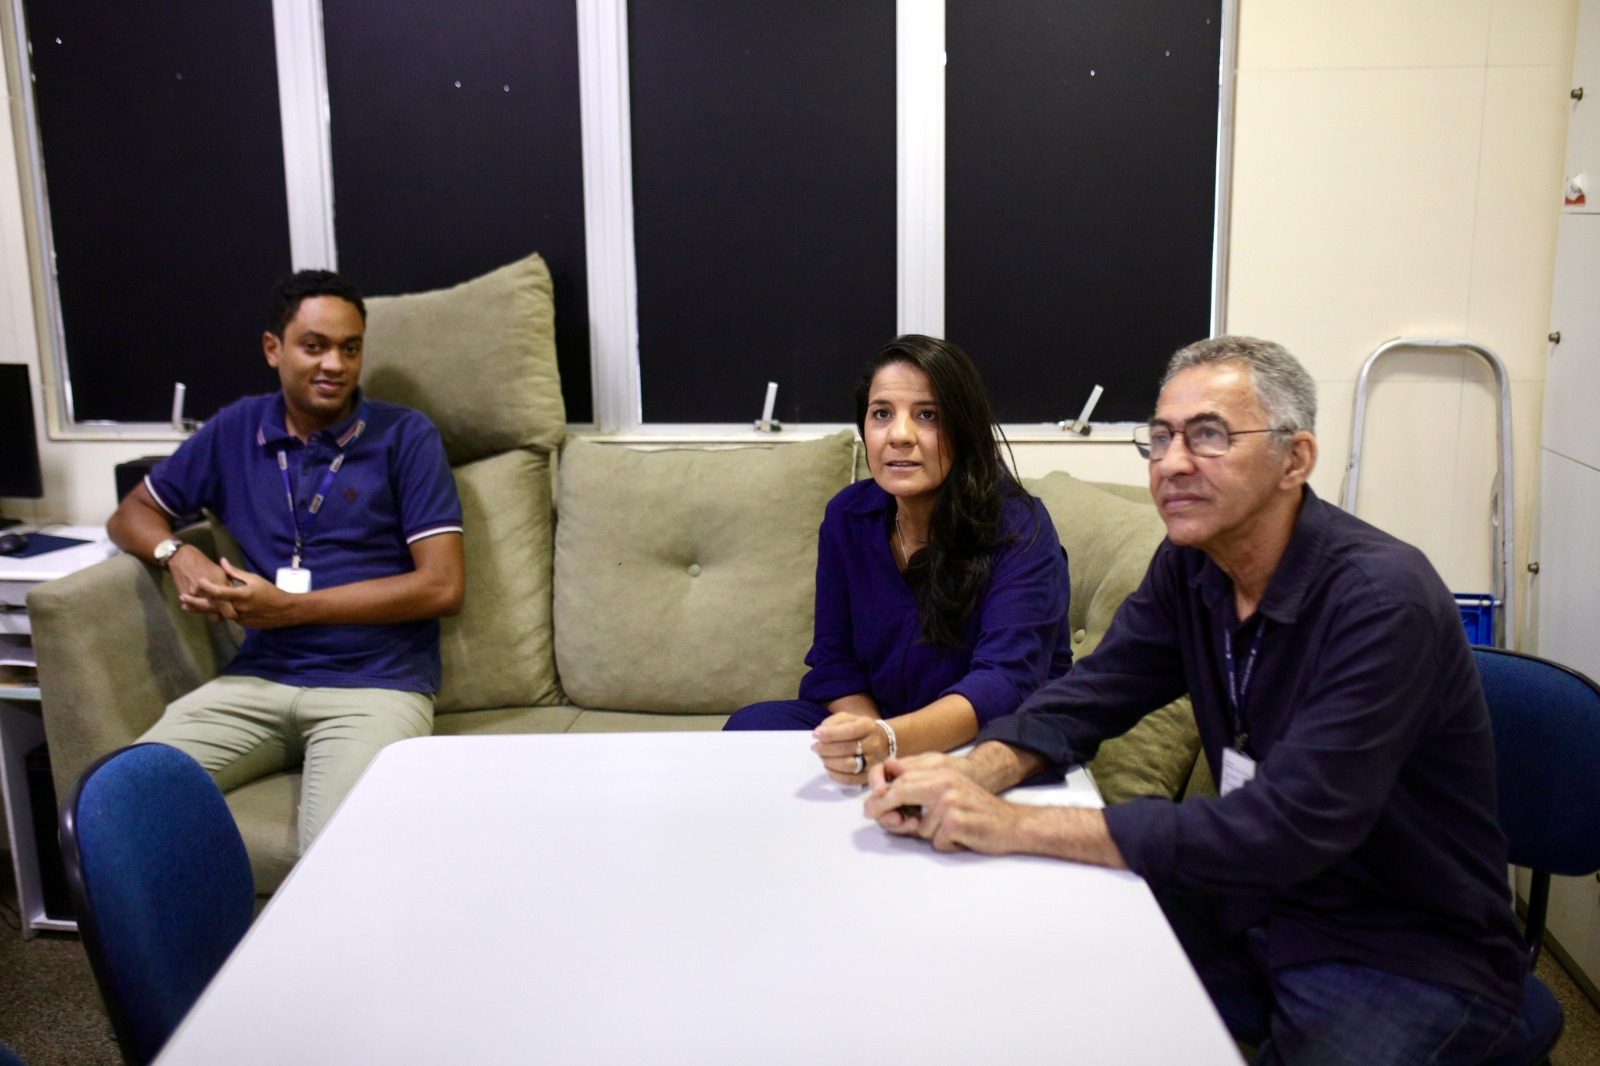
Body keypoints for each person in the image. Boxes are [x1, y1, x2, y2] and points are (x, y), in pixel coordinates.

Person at [864, 336, 1528, 1065]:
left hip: (1402, 949)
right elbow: (1090, 696)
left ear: (1295, 459)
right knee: (1042, 977)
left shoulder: (1381, 601)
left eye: (1208, 435)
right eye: (1160, 438)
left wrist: (1011, 823)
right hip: (1252, 904)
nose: (1172, 463)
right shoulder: (1191, 564)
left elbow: (1281, 829)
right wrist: (972, 772)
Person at [107, 270, 464, 853]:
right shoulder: (236, 429)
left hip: (375, 686)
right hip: (259, 680)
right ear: (273, 348)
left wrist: (291, 609)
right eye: (314, 346)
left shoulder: (405, 436)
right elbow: (131, 513)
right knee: (116, 801)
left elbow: (443, 587)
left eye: (350, 348)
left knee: (338, 854)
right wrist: (178, 553)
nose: (335, 365)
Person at [724, 334, 1072, 785]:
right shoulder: (848, 516)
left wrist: (888, 743)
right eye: (882, 414)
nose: (899, 435)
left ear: (963, 429)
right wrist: (865, 740)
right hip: (886, 724)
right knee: (751, 727)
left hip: (989, 738)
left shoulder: (1022, 526)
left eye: (928, 415)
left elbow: (1004, 682)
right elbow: (835, 663)